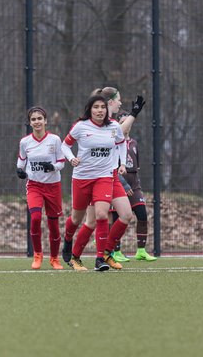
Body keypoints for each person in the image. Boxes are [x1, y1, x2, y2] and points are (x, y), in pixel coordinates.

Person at [62, 88, 145, 271]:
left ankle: (103, 256)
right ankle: (70, 245)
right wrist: (71, 158)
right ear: (91, 109)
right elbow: (65, 145)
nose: (100, 110)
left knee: (114, 214)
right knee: (80, 219)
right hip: (83, 178)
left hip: (106, 176)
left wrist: (122, 163)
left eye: (102, 107)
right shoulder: (81, 126)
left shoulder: (113, 125)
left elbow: (121, 141)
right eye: (96, 107)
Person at [16, 106, 65, 270]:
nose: (37, 122)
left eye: (39, 118)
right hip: (34, 185)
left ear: (45, 121)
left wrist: (52, 166)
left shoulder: (55, 140)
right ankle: (37, 255)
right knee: (35, 218)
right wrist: (20, 171)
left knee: (53, 225)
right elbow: (22, 160)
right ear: (30, 123)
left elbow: (61, 162)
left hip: (53, 186)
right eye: (33, 119)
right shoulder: (25, 142)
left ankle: (54, 258)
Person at [111, 110, 157, 262]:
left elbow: (136, 168)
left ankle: (141, 251)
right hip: (117, 184)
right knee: (118, 218)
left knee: (142, 215)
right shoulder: (112, 143)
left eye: (128, 121)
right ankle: (115, 251)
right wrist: (123, 184)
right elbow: (111, 167)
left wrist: (134, 184)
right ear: (118, 124)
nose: (127, 124)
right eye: (123, 121)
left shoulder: (135, 143)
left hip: (134, 186)